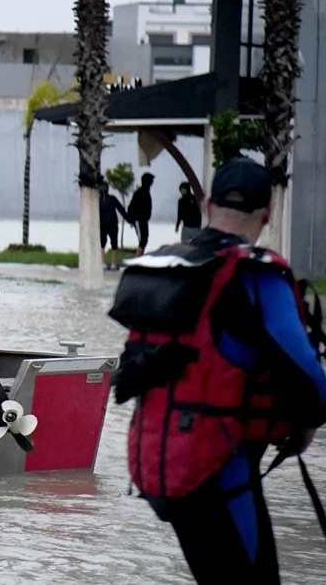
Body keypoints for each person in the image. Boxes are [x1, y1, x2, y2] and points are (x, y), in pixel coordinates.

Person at [109, 158, 326, 584]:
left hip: (161, 467)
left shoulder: (171, 268)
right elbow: (311, 379)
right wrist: (306, 425)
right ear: (268, 212)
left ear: (207, 204)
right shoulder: (255, 274)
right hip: (220, 469)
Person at [128, 171, 155, 254]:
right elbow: (131, 206)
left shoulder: (145, 191)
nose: (152, 182)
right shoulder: (140, 192)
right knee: (142, 240)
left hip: (143, 220)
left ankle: (140, 257)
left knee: (144, 239)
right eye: (151, 180)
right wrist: (132, 219)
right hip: (139, 220)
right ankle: (138, 258)